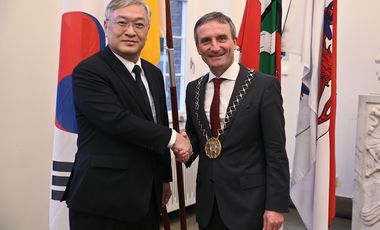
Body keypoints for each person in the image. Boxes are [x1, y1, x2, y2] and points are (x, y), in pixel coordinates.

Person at [61, 0, 191, 229]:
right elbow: (117, 121)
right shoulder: (89, 71)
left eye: (139, 24)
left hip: (146, 198)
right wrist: (174, 139)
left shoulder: (153, 73)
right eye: (122, 23)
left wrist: (163, 178)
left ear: (148, 31)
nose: (131, 31)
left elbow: (157, 122)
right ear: (106, 26)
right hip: (102, 199)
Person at [184, 12, 290, 230]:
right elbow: (196, 136)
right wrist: (186, 145)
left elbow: (276, 151)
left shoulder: (264, 86)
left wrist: (276, 205)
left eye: (221, 38)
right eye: (206, 41)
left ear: (234, 41)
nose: (214, 47)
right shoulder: (193, 89)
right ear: (198, 47)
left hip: (249, 205)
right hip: (208, 203)